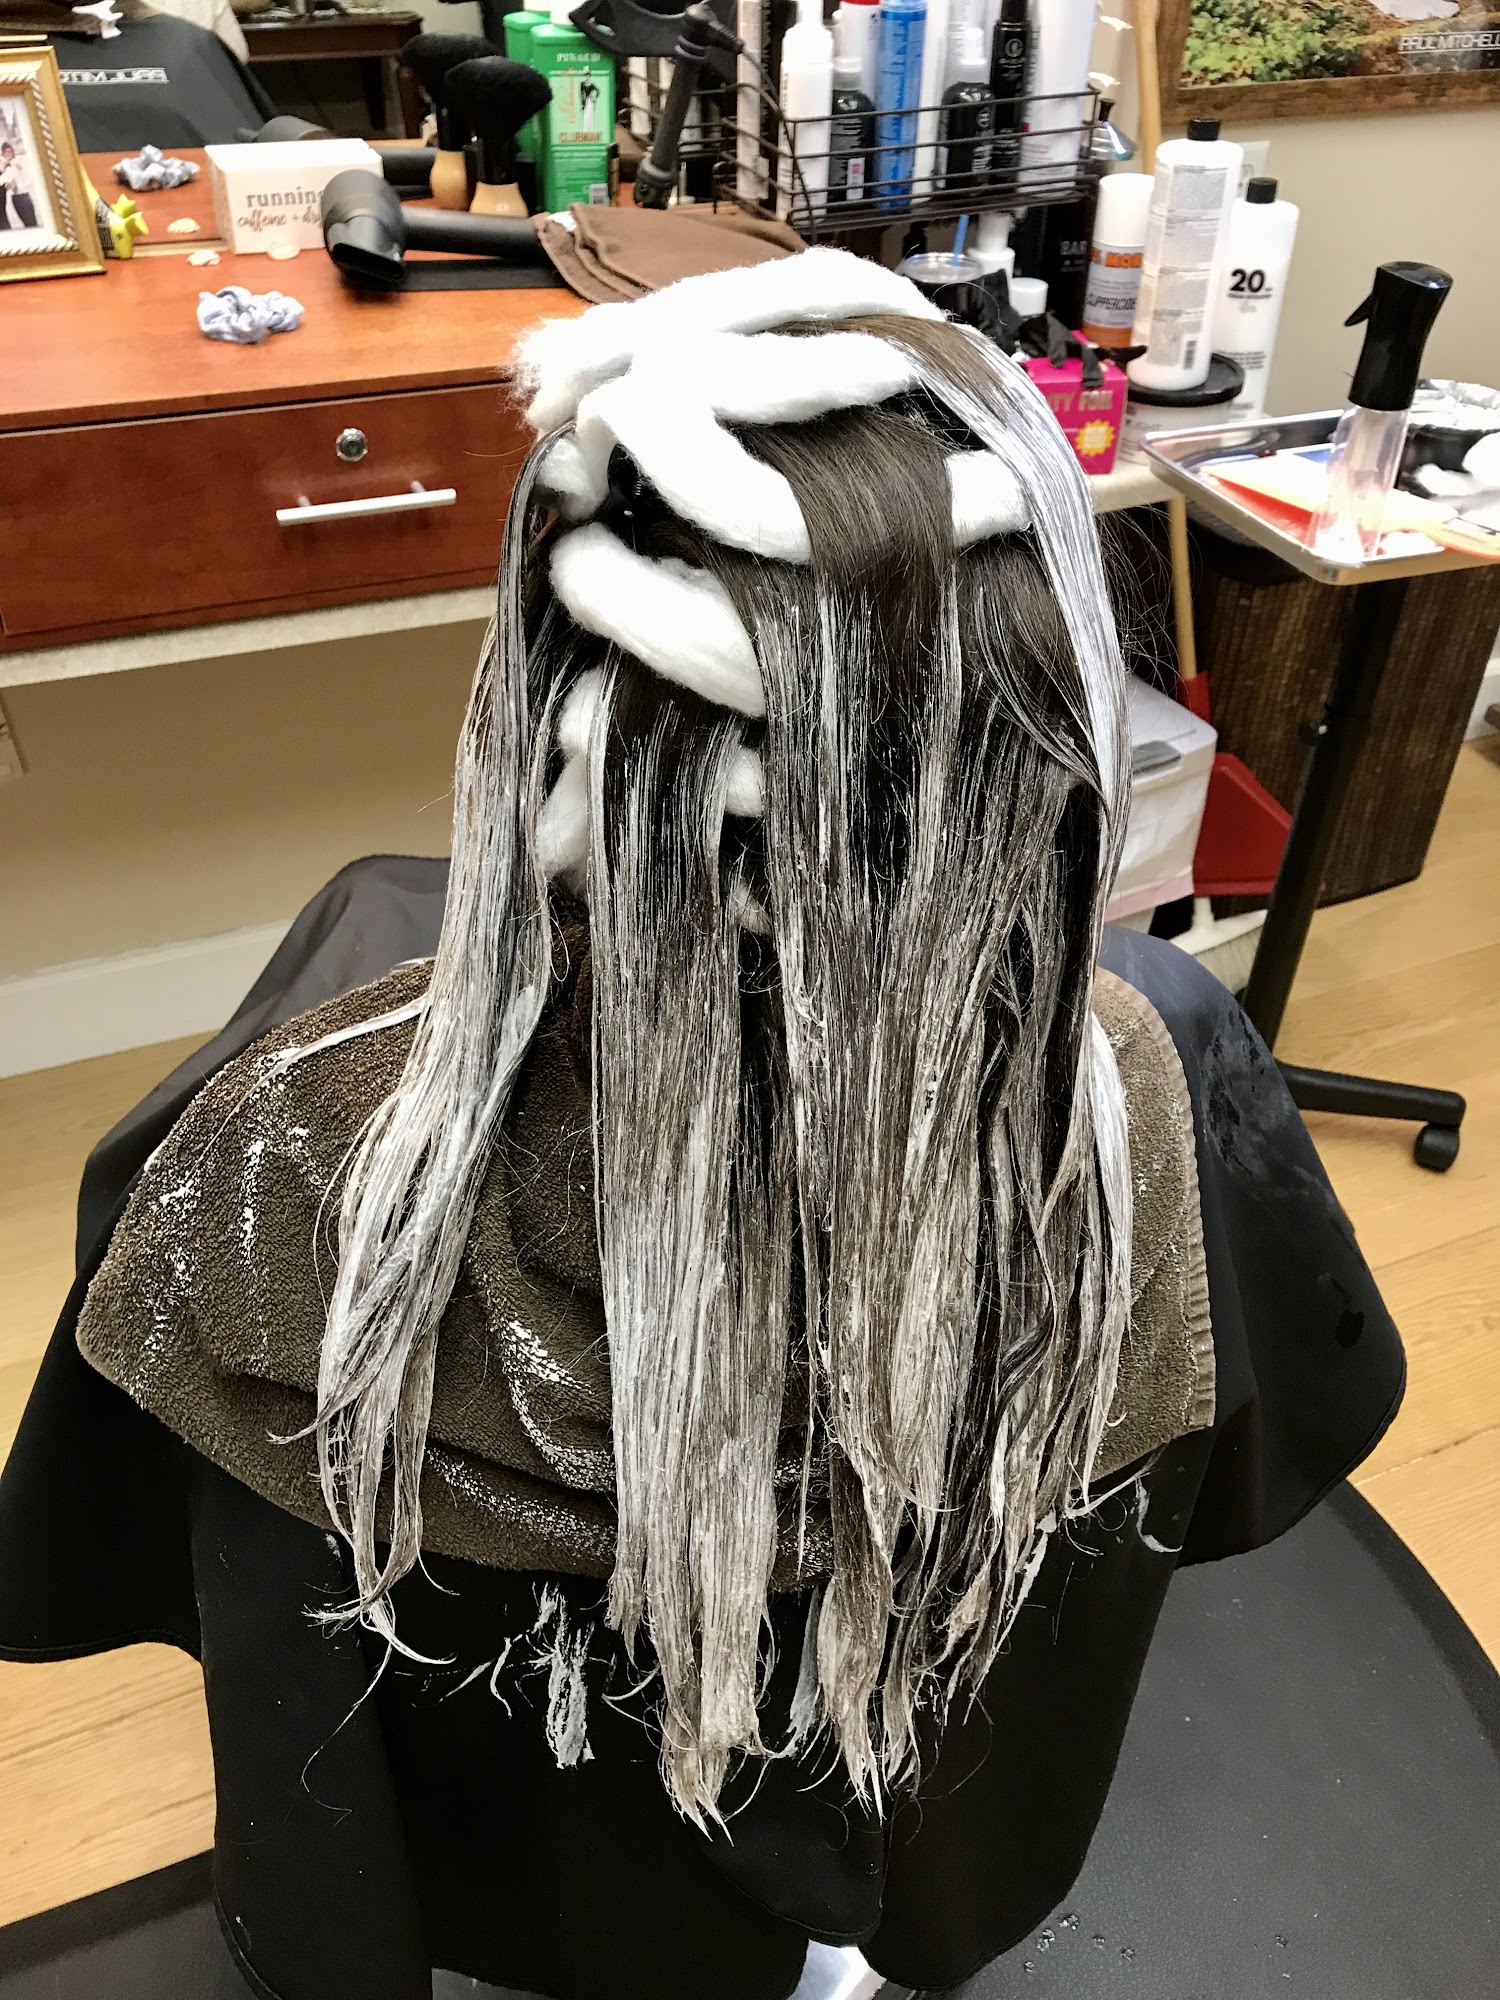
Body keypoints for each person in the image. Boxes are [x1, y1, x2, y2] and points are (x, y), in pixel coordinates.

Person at [0, 252, 1403, 2000]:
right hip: (893, 1789)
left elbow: (164, 1548)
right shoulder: (1151, 1063)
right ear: (1036, 743)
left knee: (364, 898)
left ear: (540, 699)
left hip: (520, 1850)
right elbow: (1245, 1458)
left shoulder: (285, 1138)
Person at [0, 140, 38, 229]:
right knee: (25, 223)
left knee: (31, 223)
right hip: (15, 198)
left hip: (23, 196)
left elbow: (7, 177)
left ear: (13, 151)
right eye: (5, 152)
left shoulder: (18, 161)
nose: (8, 154)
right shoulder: (7, 166)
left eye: (9, 151)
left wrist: (3, 165)